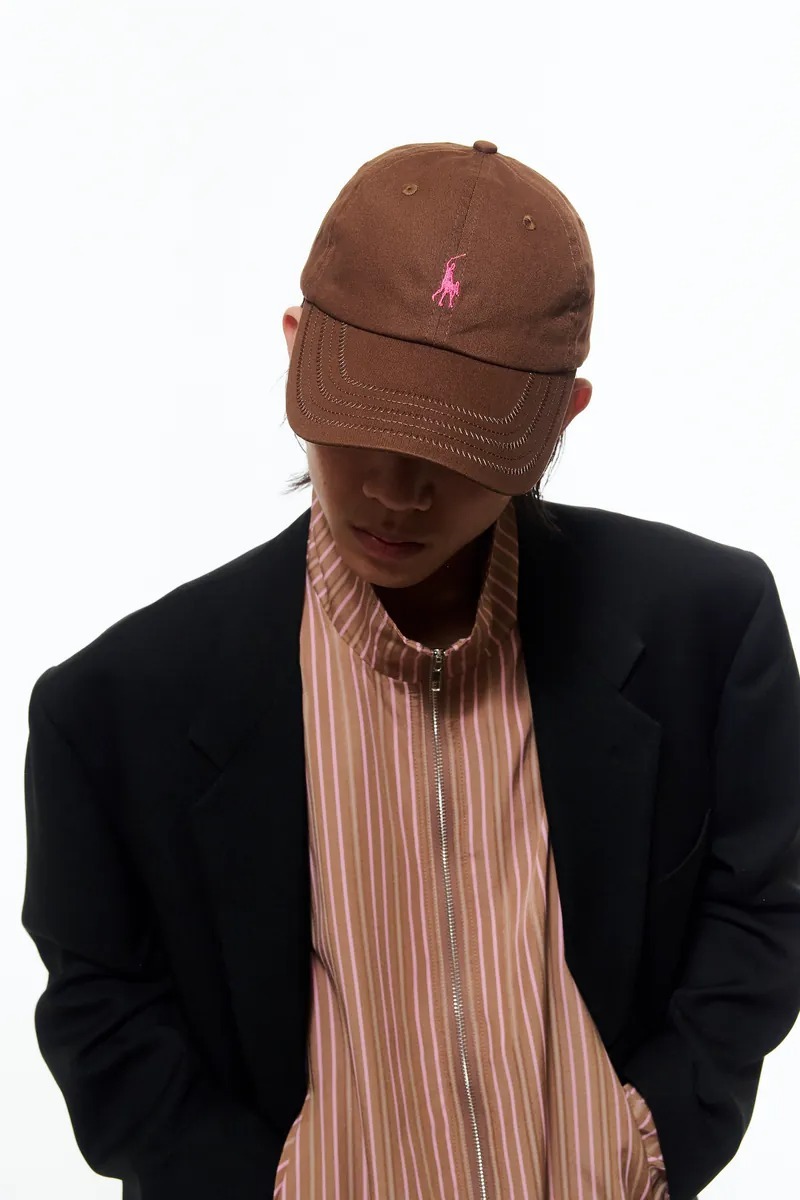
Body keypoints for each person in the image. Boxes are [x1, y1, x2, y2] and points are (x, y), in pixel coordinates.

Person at [20, 139, 800, 1200]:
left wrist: (648, 1146)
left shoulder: (706, 628)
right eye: (363, 419)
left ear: (563, 416)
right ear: (294, 350)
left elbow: (760, 911)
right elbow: (101, 1016)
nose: (395, 489)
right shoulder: (111, 712)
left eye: (454, 443)